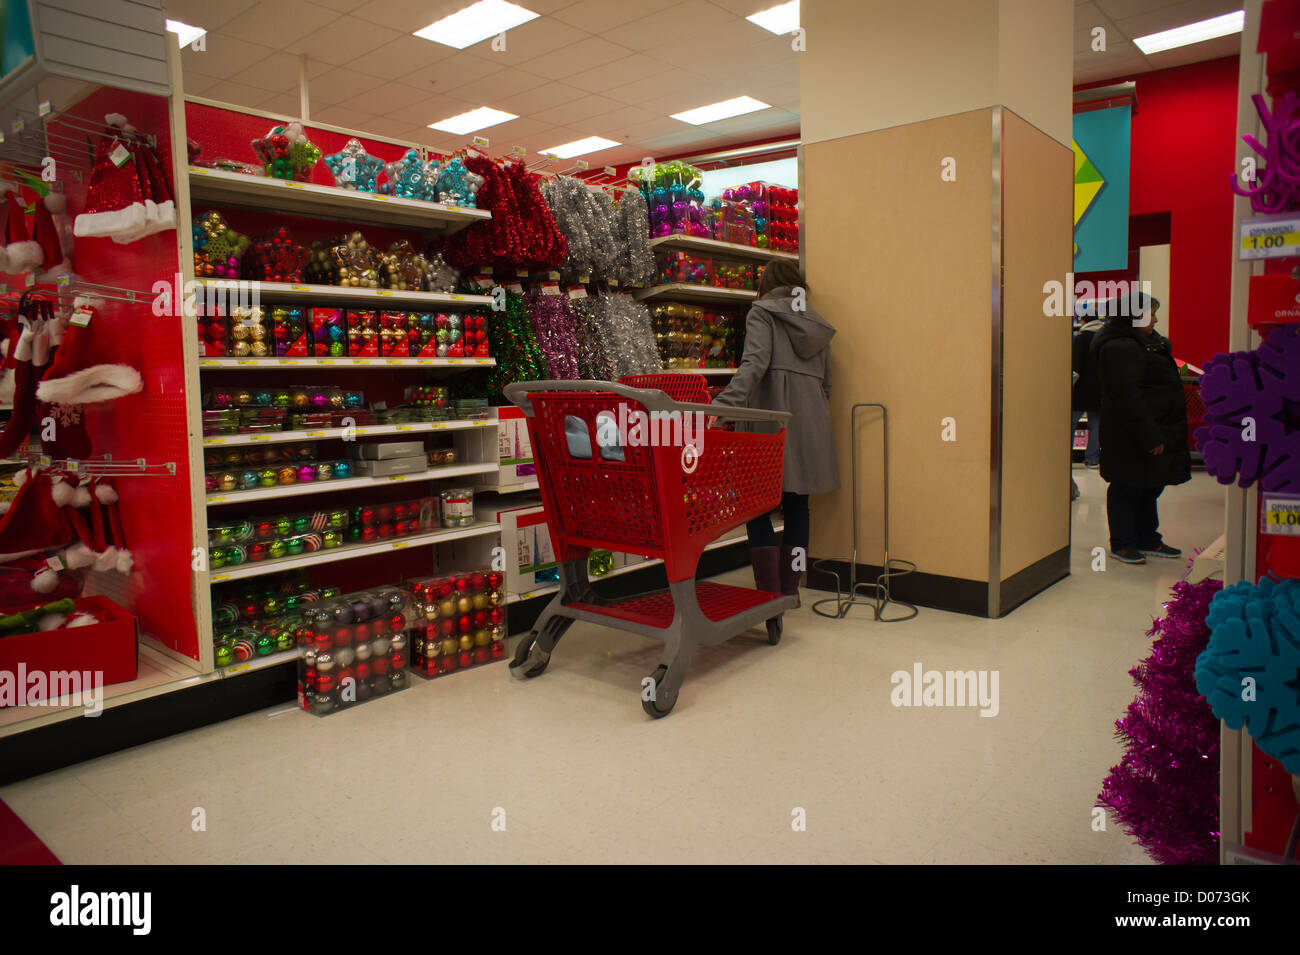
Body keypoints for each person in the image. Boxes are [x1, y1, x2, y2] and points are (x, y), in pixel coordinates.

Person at [712, 259, 838, 601]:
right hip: (811, 424)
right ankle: (790, 590)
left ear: (768, 285)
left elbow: (754, 365)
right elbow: (827, 384)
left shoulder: (762, 313)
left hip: (770, 423)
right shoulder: (818, 325)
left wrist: (723, 409)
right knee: (799, 508)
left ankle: (767, 594)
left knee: (755, 506)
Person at [1091, 293, 1190, 565]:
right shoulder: (1119, 347)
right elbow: (1126, 395)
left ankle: (1147, 536)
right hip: (1130, 433)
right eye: (1150, 313)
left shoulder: (1148, 342)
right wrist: (1148, 434)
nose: (1156, 319)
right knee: (1127, 485)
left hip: (1155, 426)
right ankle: (1123, 542)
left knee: (1150, 484)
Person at [1072, 313, 1106, 468]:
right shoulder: (1104, 338)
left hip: (1081, 388)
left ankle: (1066, 456)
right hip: (1099, 388)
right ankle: (1092, 459)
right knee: (1096, 424)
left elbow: (1077, 365)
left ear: (1084, 321)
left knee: (1071, 422)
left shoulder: (1081, 338)